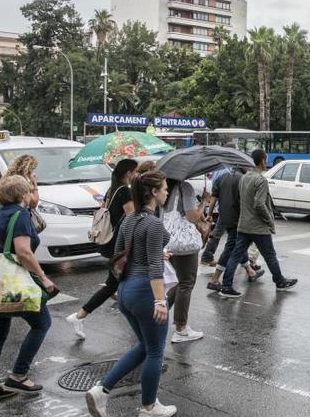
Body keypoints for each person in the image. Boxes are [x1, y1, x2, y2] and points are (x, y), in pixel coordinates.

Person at [85, 171, 177, 417]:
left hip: (125, 290)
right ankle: (149, 406)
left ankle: (101, 390)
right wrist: (160, 300)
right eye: (165, 188)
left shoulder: (129, 219)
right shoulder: (154, 223)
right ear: (154, 193)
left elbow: (119, 256)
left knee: (145, 347)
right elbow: (154, 267)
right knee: (156, 350)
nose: (167, 192)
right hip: (146, 292)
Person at [0, 175, 55, 404]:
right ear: (23, 195)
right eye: (31, 191)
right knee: (42, 324)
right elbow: (23, 252)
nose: (33, 194)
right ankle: (18, 375)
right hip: (16, 281)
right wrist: (43, 278)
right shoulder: (20, 215)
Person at [66, 159, 139, 339]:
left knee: (118, 283)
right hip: (120, 245)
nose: (137, 175)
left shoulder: (112, 189)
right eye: (136, 171)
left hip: (112, 243)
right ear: (129, 173)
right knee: (111, 285)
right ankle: (79, 316)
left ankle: (132, 313)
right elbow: (132, 218)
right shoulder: (124, 191)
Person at [222, 149, 298, 297]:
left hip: (244, 225)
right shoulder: (261, 180)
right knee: (270, 255)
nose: (267, 162)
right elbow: (259, 204)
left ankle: (226, 285)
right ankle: (280, 281)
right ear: (263, 160)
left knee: (235, 255)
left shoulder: (244, 178)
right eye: (266, 159)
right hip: (258, 226)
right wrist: (269, 221)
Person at [163, 179, 209, 343]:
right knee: (186, 282)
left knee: (178, 282)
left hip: (169, 240)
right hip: (184, 244)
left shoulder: (166, 187)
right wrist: (204, 201)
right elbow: (192, 217)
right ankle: (181, 328)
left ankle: (159, 312)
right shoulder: (184, 187)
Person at [206, 168, 264, 294]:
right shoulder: (242, 179)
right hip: (238, 219)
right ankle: (215, 279)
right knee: (231, 247)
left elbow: (213, 199)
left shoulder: (221, 178)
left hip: (224, 217)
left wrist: (210, 214)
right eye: (247, 166)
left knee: (240, 245)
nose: (249, 169)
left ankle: (250, 271)